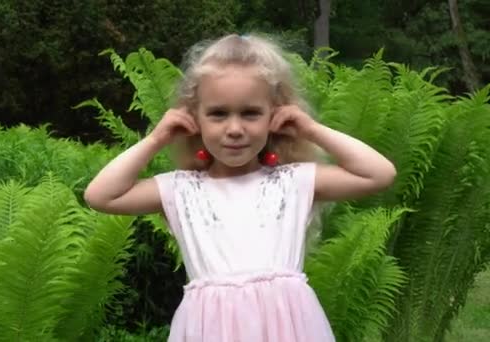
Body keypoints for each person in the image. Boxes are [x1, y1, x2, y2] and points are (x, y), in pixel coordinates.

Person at [84, 34, 396, 342]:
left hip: (288, 331)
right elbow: (100, 195)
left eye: (250, 113)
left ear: (274, 116)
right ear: (195, 119)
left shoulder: (293, 181)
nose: (235, 129)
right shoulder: (181, 190)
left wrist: (310, 129)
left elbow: (378, 174)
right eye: (218, 114)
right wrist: (157, 139)